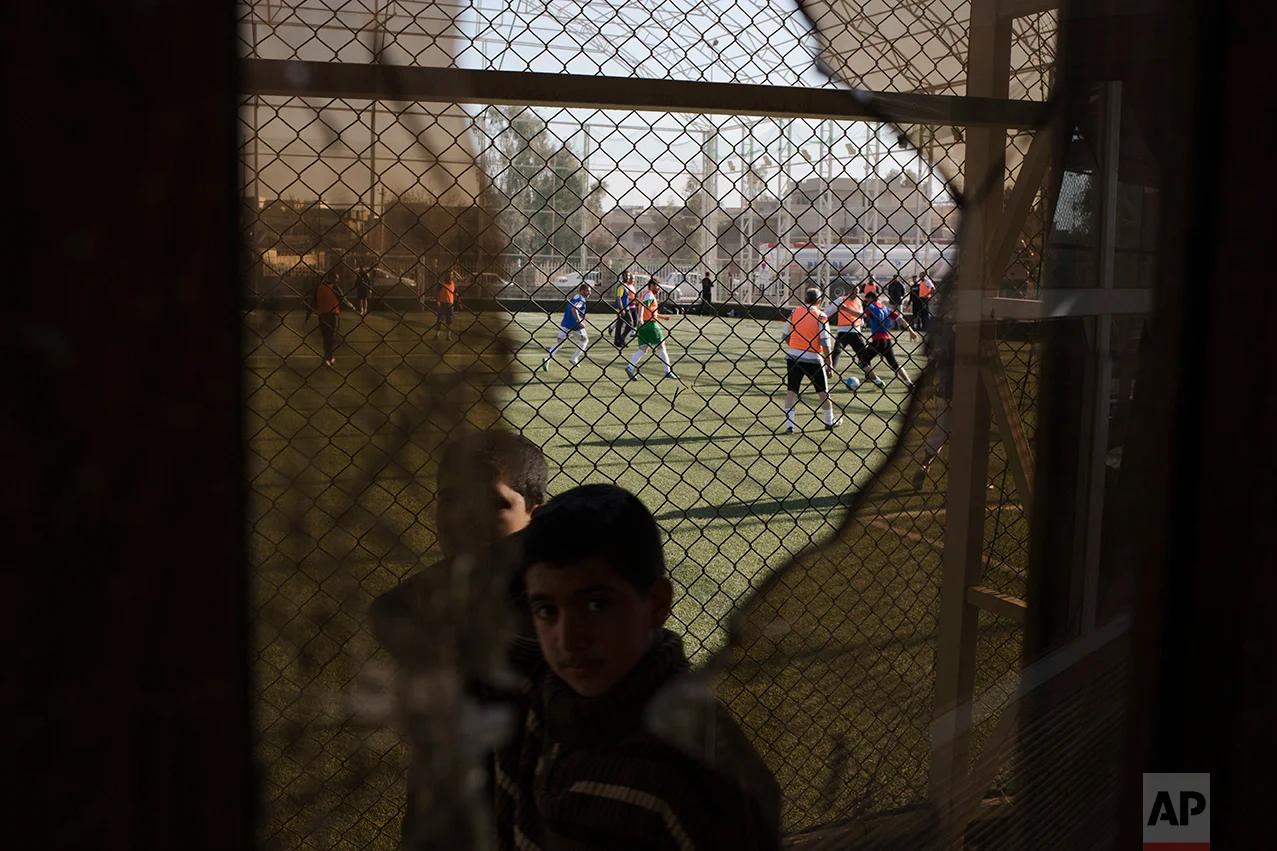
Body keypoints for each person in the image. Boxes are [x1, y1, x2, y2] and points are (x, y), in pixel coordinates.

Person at [498, 483, 782, 850]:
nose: (569, 640)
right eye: (547, 610)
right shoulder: (547, 693)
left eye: (597, 605)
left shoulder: (688, 777)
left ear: (657, 604)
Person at [368, 428, 549, 847]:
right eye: (452, 500)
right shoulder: (436, 601)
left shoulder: (555, 608)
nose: (467, 518)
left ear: (535, 519)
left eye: (492, 503)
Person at [781, 287, 841, 433]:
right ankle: (829, 421)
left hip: (793, 357)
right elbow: (825, 342)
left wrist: (795, 347)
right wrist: (830, 364)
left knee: (791, 391)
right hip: (813, 358)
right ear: (819, 301)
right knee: (822, 391)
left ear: (805, 299)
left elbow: (785, 335)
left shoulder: (795, 312)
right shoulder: (821, 316)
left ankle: (790, 425)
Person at [913, 319, 955, 489]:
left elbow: (932, 357)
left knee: (940, 432)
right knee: (972, 435)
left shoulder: (945, 332)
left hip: (945, 390)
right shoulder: (975, 330)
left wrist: (930, 383)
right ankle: (971, 478)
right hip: (969, 392)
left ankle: (925, 464)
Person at [856, 292, 918, 390]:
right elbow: (901, 319)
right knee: (895, 364)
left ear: (871, 298)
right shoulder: (886, 309)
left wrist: (845, 309)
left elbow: (861, 316)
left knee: (862, 361)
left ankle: (877, 382)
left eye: (867, 300)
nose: (867, 302)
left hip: (878, 340)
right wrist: (911, 331)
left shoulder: (870, 307)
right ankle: (909, 382)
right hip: (887, 340)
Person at [625, 279, 678, 381]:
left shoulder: (646, 294)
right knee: (661, 346)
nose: (658, 288)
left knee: (643, 349)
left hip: (642, 326)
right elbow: (643, 306)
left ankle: (630, 367)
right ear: (652, 285)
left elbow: (650, 311)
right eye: (657, 286)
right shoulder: (649, 295)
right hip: (650, 325)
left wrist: (662, 317)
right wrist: (640, 317)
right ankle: (667, 371)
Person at [303, 270, 351, 367]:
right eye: (336, 278)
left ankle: (328, 357)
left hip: (323, 315)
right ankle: (328, 357)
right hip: (333, 315)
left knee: (326, 337)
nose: (337, 280)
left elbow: (313, 303)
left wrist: (307, 316)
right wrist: (350, 305)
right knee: (331, 337)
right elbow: (342, 299)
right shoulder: (334, 288)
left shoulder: (319, 288)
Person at [541, 283, 590, 371]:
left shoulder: (575, 297)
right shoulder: (581, 299)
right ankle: (574, 358)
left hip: (566, 324)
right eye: (587, 291)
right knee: (585, 340)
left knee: (559, 342)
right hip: (575, 326)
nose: (589, 293)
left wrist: (582, 315)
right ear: (582, 291)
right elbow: (574, 309)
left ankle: (547, 358)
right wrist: (579, 321)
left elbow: (574, 309)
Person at [823, 289, 868, 375]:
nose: (855, 294)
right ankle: (830, 370)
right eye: (854, 292)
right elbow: (830, 310)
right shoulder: (841, 300)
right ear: (849, 291)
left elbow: (861, 314)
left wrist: (862, 325)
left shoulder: (858, 301)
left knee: (862, 353)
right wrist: (822, 316)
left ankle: (868, 373)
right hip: (843, 330)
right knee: (837, 351)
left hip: (855, 330)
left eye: (857, 292)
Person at [612, 270, 637, 348]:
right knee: (630, 323)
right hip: (623, 308)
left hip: (625, 307)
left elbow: (624, 296)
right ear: (622, 276)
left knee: (619, 325)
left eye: (629, 276)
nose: (628, 277)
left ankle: (617, 341)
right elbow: (619, 297)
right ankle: (622, 338)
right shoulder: (621, 286)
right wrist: (622, 309)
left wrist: (632, 299)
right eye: (626, 276)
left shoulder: (625, 285)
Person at [433, 269, 457, 341]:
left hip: (450, 304)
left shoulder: (453, 284)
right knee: (440, 320)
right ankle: (437, 334)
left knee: (449, 321)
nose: (450, 276)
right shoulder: (441, 283)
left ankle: (448, 335)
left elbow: (455, 293)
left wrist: (458, 302)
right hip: (442, 304)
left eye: (451, 275)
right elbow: (436, 292)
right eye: (449, 275)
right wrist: (437, 301)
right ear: (446, 275)